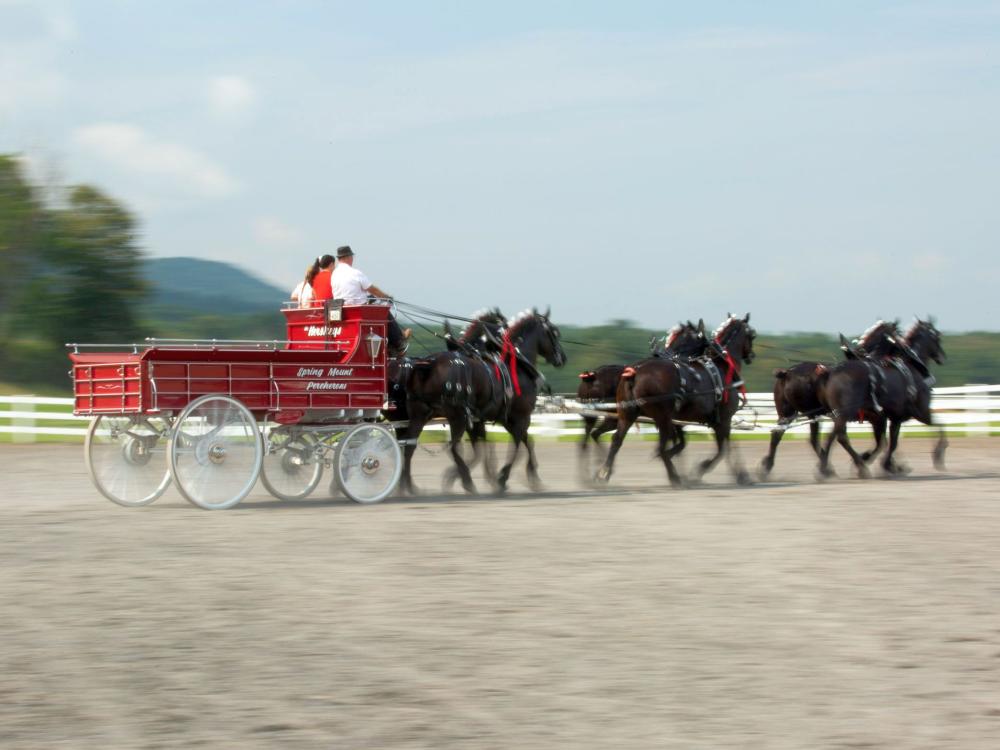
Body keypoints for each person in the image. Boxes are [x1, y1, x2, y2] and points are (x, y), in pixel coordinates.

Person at [330, 245, 410, 353]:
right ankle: (398, 343)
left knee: (375, 305)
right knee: (384, 312)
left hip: (342, 311)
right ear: (348, 257)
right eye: (352, 257)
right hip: (359, 310)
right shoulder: (355, 273)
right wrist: (386, 297)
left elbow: (348, 293)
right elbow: (372, 289)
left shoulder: (334, 274)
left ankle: (391, 342)